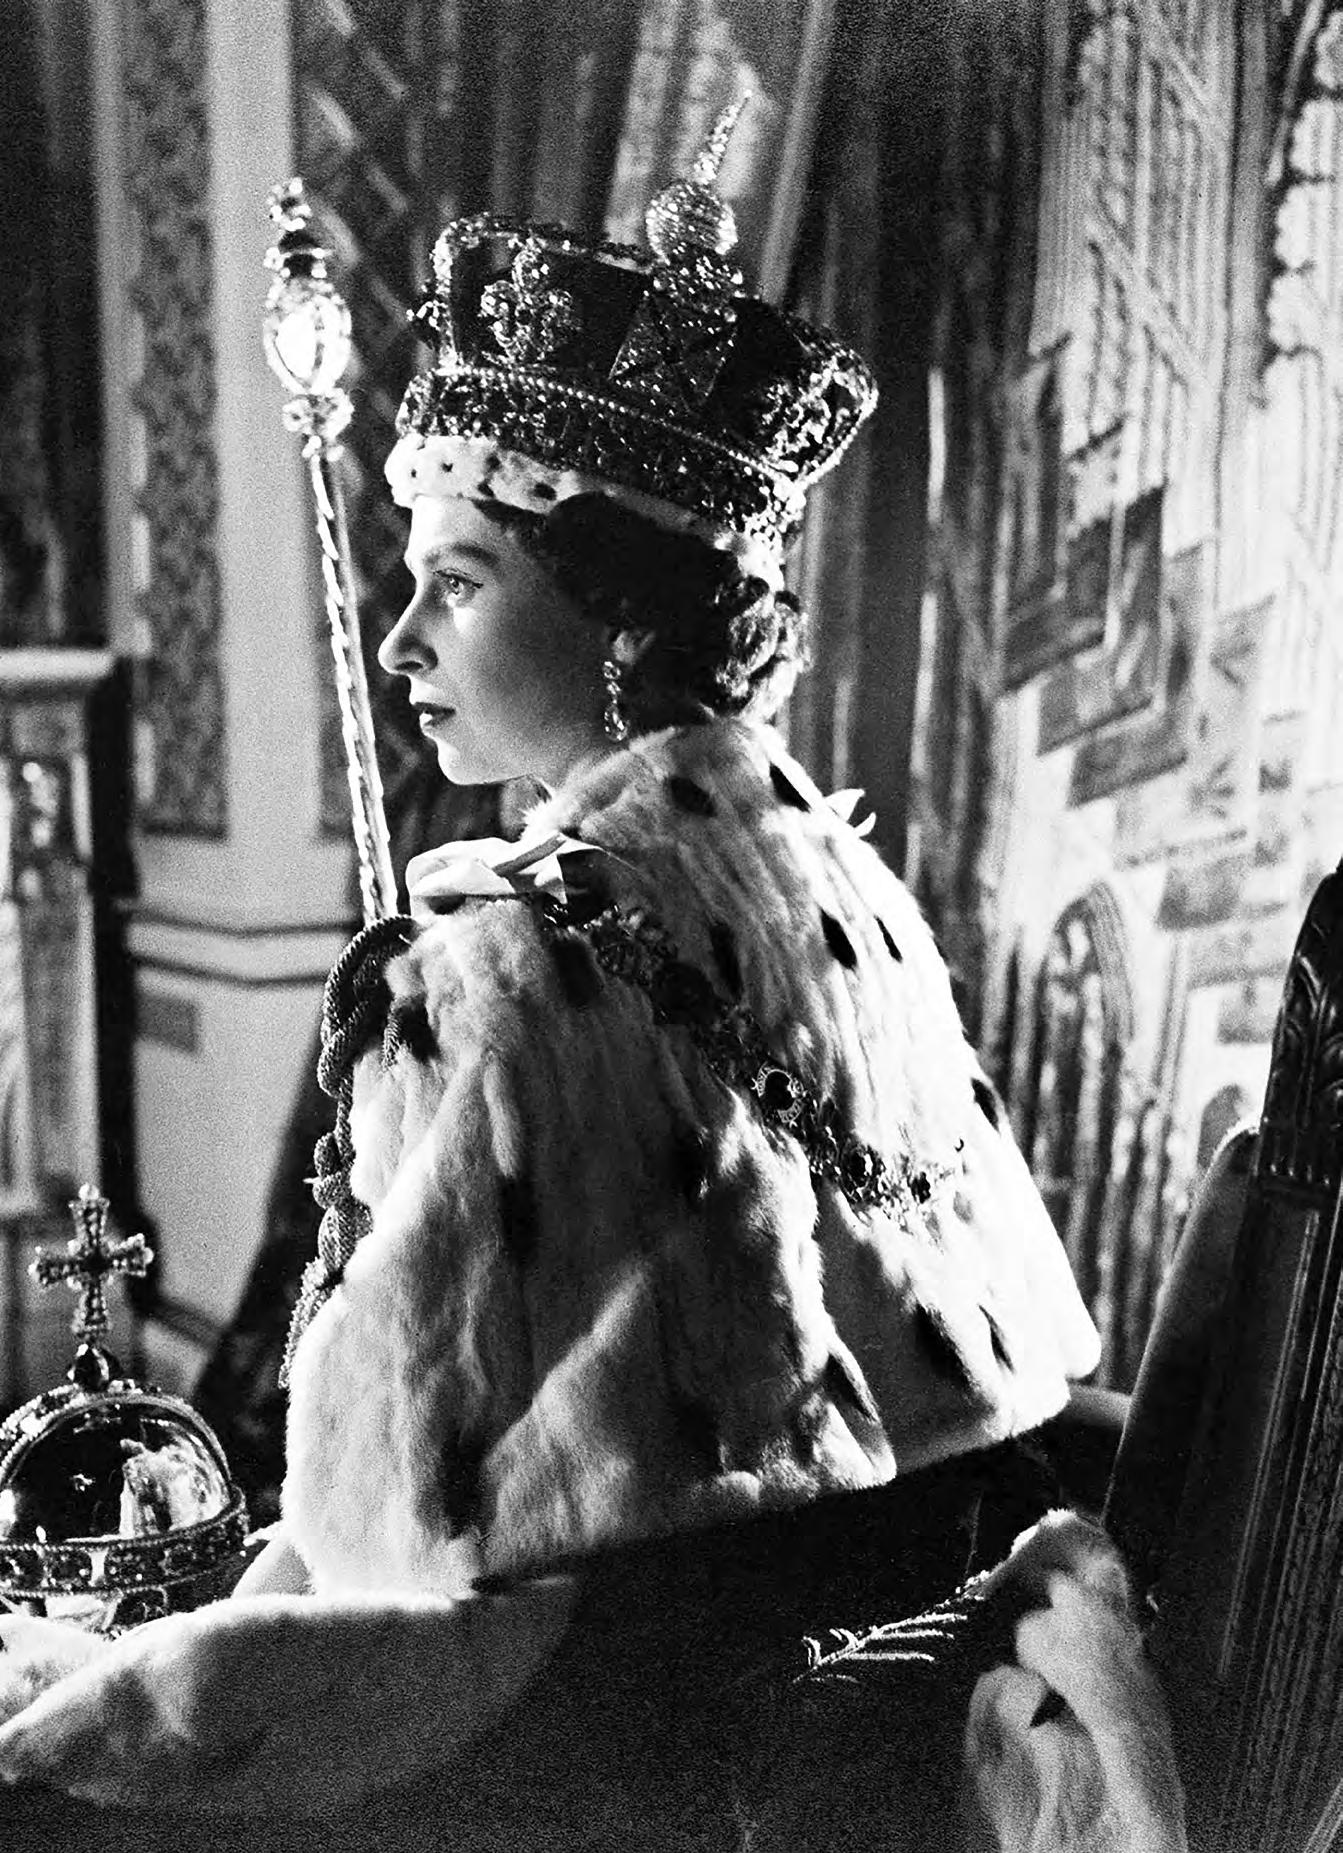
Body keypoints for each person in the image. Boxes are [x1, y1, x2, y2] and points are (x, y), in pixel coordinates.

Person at [0, 118, 1183, 1852]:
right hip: (899, 1637)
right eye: (407, 585)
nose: (401, 640)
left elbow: (391, 1545)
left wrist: (145, 1672)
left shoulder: (500, 968)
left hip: (638, 1746)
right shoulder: (844, 873)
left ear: (622, 622)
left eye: (459, 581)